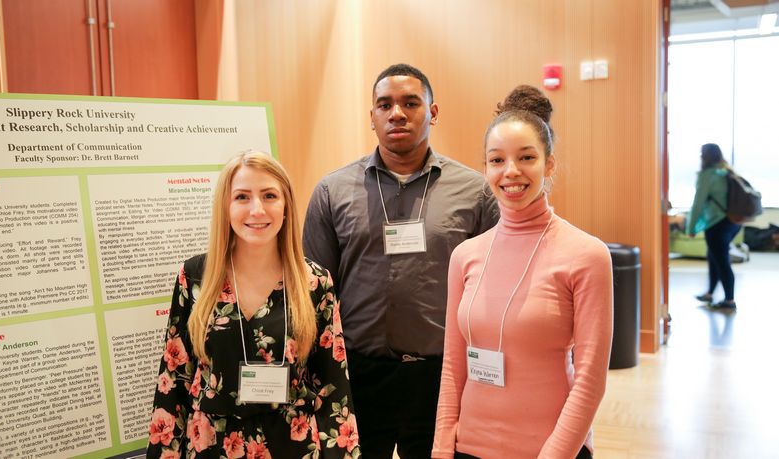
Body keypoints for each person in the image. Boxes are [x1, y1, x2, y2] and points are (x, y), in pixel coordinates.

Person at [303, 63, 498, 458]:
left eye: (411, 103)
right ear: (371, 116)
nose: (397, 113)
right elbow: (314, 294)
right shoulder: (332, 191)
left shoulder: (475, 192)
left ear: (433, 112)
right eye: (385, 104)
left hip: (441, 375)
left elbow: (492, 290)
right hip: (357, 374)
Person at [432, 85, 613, 459]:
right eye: (496, 160)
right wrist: (440, 448)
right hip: (469, 447)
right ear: (485, 168)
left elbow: (590, 379)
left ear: (549, 164)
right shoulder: (466, 255)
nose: (511, 171)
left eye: (526, 157)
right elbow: (453, 365)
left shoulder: (587, 255)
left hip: (548, 449)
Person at [147, 152, 359, 458]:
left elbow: (332, 383)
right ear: (226, 206)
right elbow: (174, 378)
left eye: (269, 195)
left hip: (293, 444)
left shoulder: (314, 282)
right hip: (211, 445)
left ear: (286, 205)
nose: (257, 209)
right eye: (242, 197)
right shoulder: (196, 277)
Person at [687, 143, 741, 310]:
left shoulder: (707, 175)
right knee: (714, 257)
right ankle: (710, 293)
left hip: (717, 225)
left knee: (721, 261)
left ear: (705, 156)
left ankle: (729, 301)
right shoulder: (726, 171)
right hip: (733, 223)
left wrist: (691, 227)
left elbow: (698, 203)